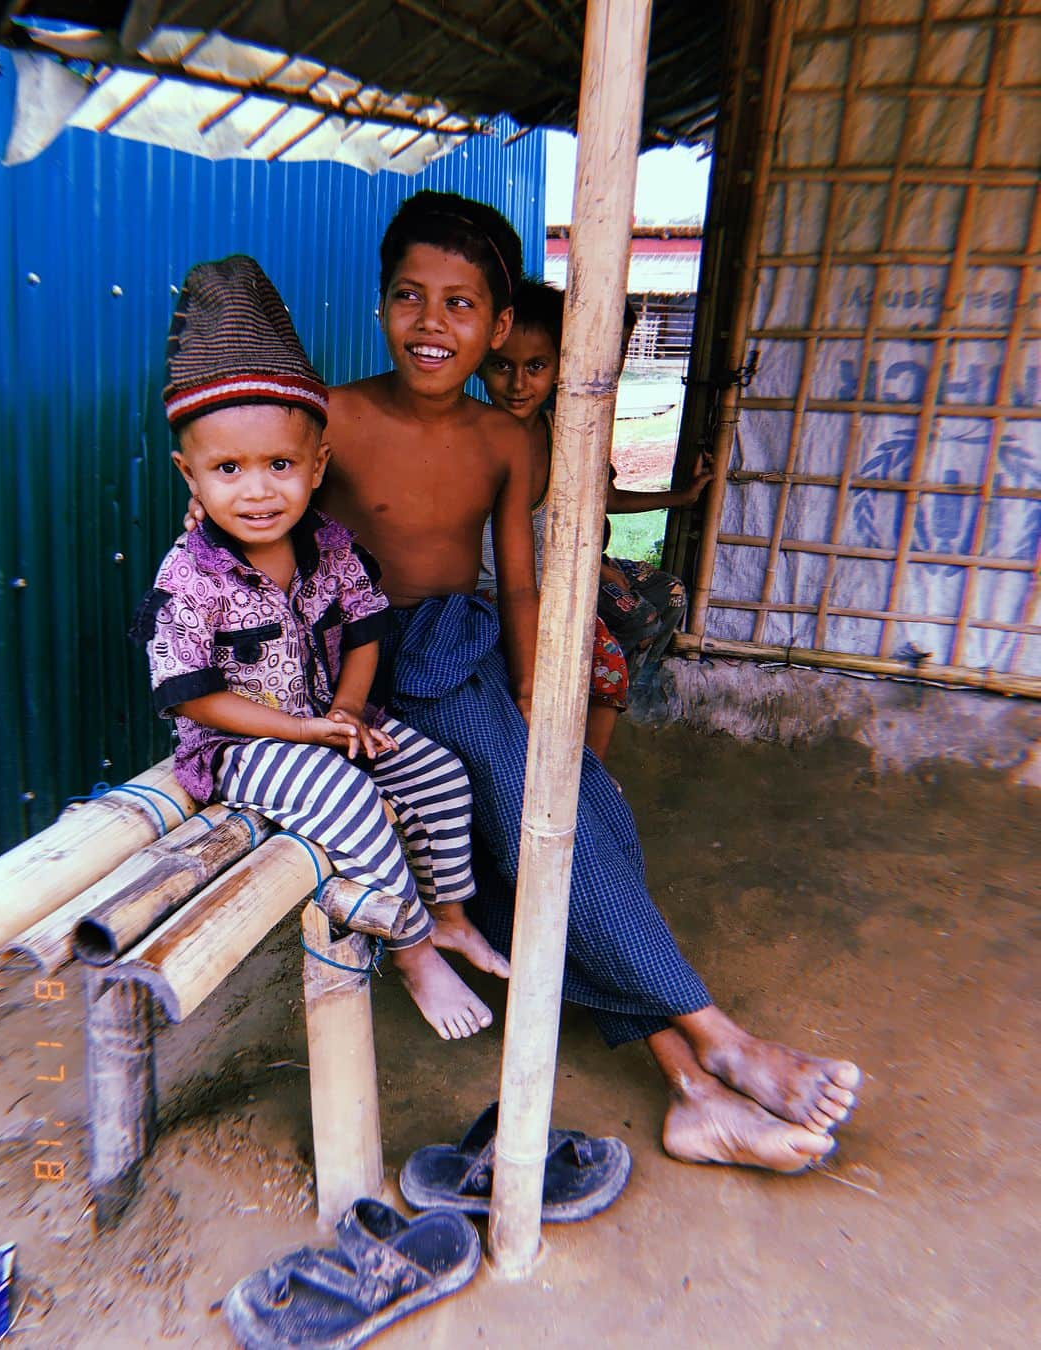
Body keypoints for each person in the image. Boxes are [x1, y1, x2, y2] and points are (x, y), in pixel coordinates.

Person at [189, 195, 862, 1171]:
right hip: (369, 676)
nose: (433, 323)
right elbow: (251, 541)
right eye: (410, 296)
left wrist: (541, 714)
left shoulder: (505, 441)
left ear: (498, 327)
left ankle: (693, 1090)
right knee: (529, 839)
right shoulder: (330, 417)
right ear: (379, 304)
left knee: (575, 815)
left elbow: (519, 589)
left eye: (462, 304)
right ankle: (713, 1043)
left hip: (461, 660)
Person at [135, 254, 508, 1042]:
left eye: (279, 465)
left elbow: (368, 627)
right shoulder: (188, 578)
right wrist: (309, 732)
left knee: (438, 770)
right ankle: (411, 953)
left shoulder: (330, 544)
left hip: (323, 720)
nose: (258, 490)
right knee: (351, 796)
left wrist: (343, 709)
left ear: (318, 466)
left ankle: (448, 915)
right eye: (227, 469)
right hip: (239, 750)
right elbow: (192, 694)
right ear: (189, 477)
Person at [477, 279, 629, 759]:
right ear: (481, 362)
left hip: (549, 594)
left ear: (560, 367)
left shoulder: (564, 439)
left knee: (608, 668)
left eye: (536, 367)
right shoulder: (467, 439)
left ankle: (588, 779)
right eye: (503, 366)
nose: (519, 384)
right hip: (480, 597)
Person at [599, 301, 714, 673]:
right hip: (559, 566)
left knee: (672, 594)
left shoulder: (595, 410)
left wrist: (683, 496)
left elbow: (605, 499)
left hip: (593, 558)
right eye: (608, 346)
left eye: (622, 347)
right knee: (640, 620)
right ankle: (595, 699)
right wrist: (596, 570)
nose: (616, 359)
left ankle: (633, 692)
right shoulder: (550, 417)